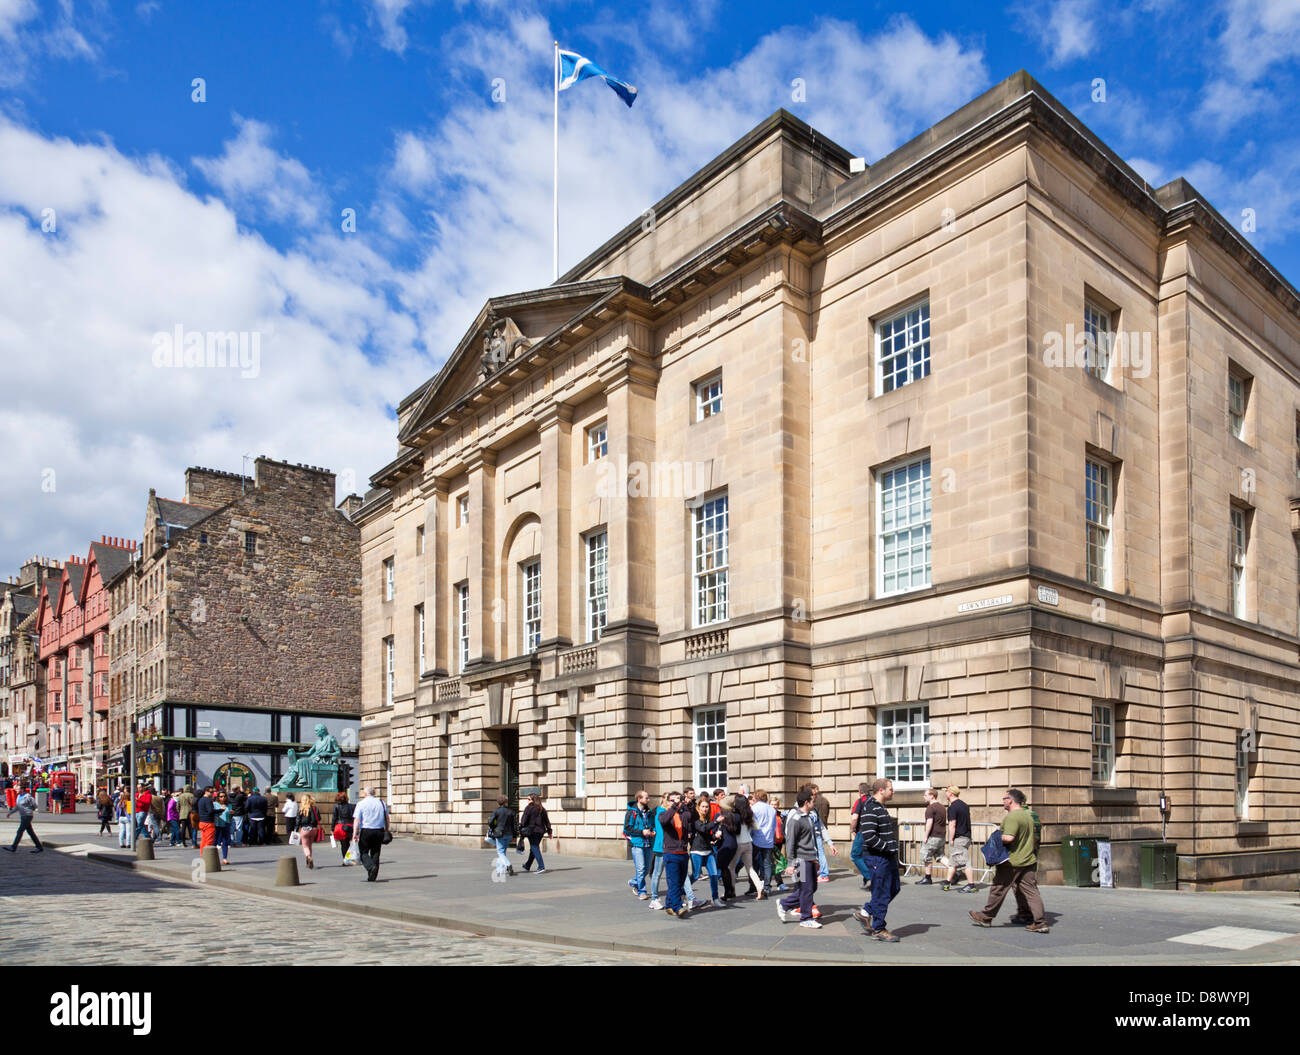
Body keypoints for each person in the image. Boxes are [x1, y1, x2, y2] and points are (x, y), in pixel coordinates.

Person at [969, 788, 1049, 933]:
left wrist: (996, 837)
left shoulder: (1012, 817)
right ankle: (1040, 922)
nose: (1003, 801)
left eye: (1004, 799)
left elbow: (1009, 838)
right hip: (1028, 859)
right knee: (1032, 892)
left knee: (998, 888)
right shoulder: (1028, 816)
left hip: (1012, 861)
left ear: (1011, 800)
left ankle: (986, 917)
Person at [855, 777, 902, 942]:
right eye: (891, 788)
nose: (893, 791)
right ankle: (879, 929)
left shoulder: (880, 806)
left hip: (887, 856)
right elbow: (868, 836)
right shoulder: (870, 807)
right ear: (881, 790)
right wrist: (887, 847)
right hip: (877, 858)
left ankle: (866, 912)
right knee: (881, 892)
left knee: (894, 887)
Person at [776, 788, 821, 928]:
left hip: (810, 858)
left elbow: (811, 840)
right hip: (801, 860)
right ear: (806, 802)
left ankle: (784, 904)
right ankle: (806, 918)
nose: (815, 803)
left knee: (811, 887)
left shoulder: (808, 817)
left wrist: (816, 859)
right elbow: (790, 842)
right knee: (806, 888)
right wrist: (790, 863)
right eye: (813, 801)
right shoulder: (795, 819)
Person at [659, 791, 691, 919]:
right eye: (672, 800)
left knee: (679, 882)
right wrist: (674, 806)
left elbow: (692, 817)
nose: (676, 802)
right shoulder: (663, 814)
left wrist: (688, 804)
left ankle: (669, 905)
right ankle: (678, 907)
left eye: (677, 799)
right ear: (667, 802)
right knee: (674, 882)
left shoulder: (682, 814)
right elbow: (664, 821)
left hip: (683, 852)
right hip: (671, 853)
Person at [688, 794, 722, 907]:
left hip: (708, 850)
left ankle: (715, 899)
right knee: (696, 875)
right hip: (696, 851)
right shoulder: (696, 819)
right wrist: (716, 822)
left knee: (714, 874)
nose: (705, 809)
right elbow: (702, 829)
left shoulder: (707, 819)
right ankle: (682, 891)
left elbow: (706, 835)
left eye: (706, 807)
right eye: (702, 806)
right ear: (698, 807)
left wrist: (715, 837)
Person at [942, 786, 975, 892]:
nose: (945, 793)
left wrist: (951, 838)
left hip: (959, 837)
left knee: (964, 862)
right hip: (966, 836)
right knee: (953, 861)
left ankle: (971, 885)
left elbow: (952, 824)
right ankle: (947, 883)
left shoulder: (953, 807)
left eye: (946, 791)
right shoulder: (964, 805)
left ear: (951, 793)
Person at [353, 786, 389, 881]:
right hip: (379, 830)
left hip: (366, 830)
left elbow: (357, 820)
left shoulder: (361, 803)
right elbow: (387, 818)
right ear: (374, 793)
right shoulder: (382, 803)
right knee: (376, 852)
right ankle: (373, 875)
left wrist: (355, 834)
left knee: (363, 852)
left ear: (365, 794)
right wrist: (387, 829)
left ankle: (370, 867)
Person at [622, 790, 654, 896]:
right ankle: (642, 891)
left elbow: (652, 824)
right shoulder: (631, 812)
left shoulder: (649, 812)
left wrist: (653, 831)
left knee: (647, 869)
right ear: (639, 799)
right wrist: (641, 832)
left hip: (648, 843)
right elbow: (627, 828)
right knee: (640, 869)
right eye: (646, 798)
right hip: (637, 844)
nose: (648, 799)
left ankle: (634, 882)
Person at [749, 789, 776, 899]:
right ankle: (767, 886)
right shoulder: (772, 809)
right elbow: (773, 825)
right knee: (767, 863)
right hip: (768, 839)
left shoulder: (754, 808)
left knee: (754, 863)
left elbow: (752, 824)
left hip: (756, 838)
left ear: (756, 797)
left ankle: (755, 886)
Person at [917, 787, 947, 885]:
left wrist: (925, 836)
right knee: (940, 856)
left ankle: (927, 878)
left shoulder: (930, 808)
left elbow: (929, 823)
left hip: (933, 836)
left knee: (926, 855)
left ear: (932, 796)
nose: (923, 797)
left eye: (926, 795)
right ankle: (954, 871)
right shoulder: (942, 807)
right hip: (941, 836)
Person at [519, 792, 552, 874]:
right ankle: (527, 865)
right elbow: (547, 821)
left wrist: (521, 828)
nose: (527, 801)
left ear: (533, 800)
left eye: (528, 799)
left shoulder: (529, 808)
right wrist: (549, 831)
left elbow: (523, 820)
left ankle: (541, 867)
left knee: (534, 847)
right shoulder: (542, 808)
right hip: (540, 832)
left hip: (532, 831)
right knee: (533, 848)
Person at [5, 785, 43, 853]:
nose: (16, 790)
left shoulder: (28, 797)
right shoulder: (19, 796)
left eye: (18, 789)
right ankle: (39, 847)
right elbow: (17, 807)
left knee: (20, 831)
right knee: (30, 832)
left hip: (27, 816)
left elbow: (35, 805)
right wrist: (10, 813)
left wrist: (29, 810)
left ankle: (13, 847)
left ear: (22, 789)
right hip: (23, 816)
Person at [849, 782, 873, 888]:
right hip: (873, 833)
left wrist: (852, 828)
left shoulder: (859, 801)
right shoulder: (874, 801)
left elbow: (855, 817)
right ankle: (866, 881)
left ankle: (870, 877)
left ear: (859, 792)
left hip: (862, 832)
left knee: (855, 855)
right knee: (865, 856)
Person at [487, 795, 517, 876]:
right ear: (506, 802)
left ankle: (508, 864)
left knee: (500, 852)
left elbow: (490, 822)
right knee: (503, 852)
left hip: (499, 833)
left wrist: (494, 827)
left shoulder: (496, 811)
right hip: (509, 834)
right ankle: (499, 870)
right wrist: (514, 836)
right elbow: (515, 825)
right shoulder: (511, 811)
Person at [298, 793, 320, 870]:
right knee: (310, 845)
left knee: (305, 846)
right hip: (313, 829)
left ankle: (309, 857)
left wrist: (296, 829)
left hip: (304, 829)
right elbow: (318, 819)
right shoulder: (315, 808)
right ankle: (308, 862)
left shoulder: (301, 809)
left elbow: (298, 820)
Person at [332, 791, 354, 865]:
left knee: (343, 845)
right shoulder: (351, 806)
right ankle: (348, 858)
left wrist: (332, 828)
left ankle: (345, 860)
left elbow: (334, 818)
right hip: (349, 826)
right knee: (348, 844)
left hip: (340, 826)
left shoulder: (336, 806)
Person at [213, 790, 232, 865]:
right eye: (221, 796)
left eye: (224, 796)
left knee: (225, 841)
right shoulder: (215, 804)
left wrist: (231, 813)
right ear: (218, 797)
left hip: (226, 824)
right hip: (217, 824)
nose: (223, 798)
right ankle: (213, 857)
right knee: (215, 841)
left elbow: (230, 815)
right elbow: (213, 812)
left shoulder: (229, 805)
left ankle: (224, 858)